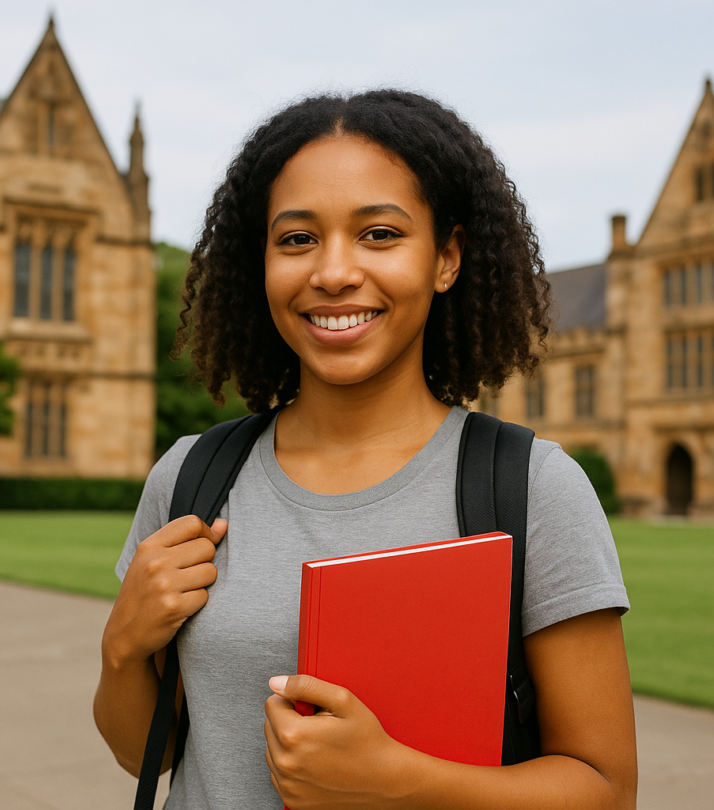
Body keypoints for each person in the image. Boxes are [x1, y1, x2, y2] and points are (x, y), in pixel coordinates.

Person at [94, 90, 637, 809]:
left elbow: (606, 790)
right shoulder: (193, 477)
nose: (333, 272)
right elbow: (146, 752)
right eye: (297, 239)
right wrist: (123, 648)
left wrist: (393, 781)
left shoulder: (532, 489)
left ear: (446, 258)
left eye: (379, 234)